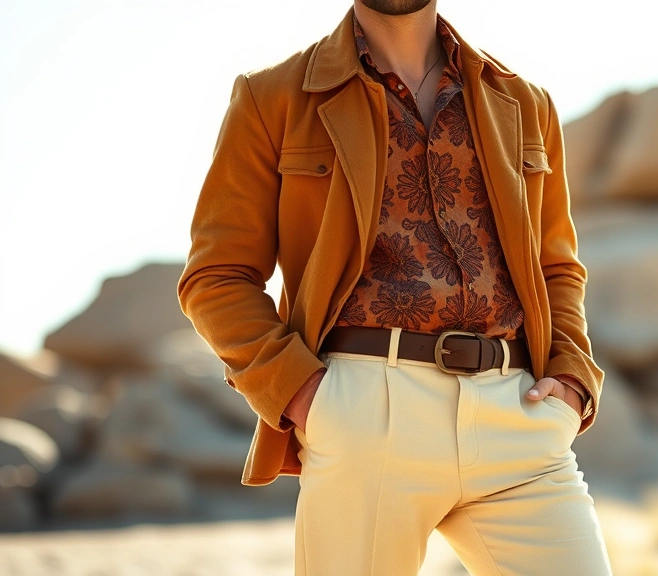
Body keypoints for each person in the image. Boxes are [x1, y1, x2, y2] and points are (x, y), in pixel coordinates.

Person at [177, 1, 611, 574]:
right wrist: (306, 396)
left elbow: (555, 266)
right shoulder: (273, 98)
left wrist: (573, 378)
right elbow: (216, 276)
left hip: (518, 416)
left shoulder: (525, 103)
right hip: (365, 417)